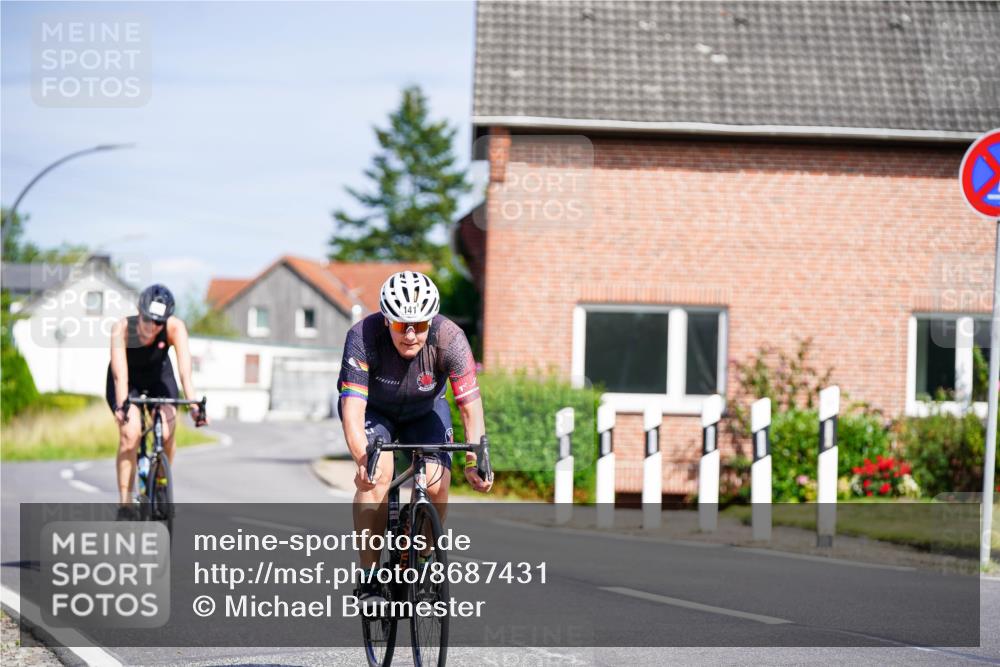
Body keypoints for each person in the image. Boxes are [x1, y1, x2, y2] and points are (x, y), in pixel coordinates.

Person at [338, 270, 492, 605]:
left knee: (436, 483)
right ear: (386, 321)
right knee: (377, 477)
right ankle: (370, 578)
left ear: (431, 320)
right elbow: (352, 410)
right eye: (400, 325)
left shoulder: (450, 339)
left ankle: (422, 559)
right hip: (376, 413)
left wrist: (475, 459)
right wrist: (363, 459)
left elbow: (470, 408)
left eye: (420, 325)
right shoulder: (362, 337)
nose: (410, 334)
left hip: (426, 411)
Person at [106, 284, 207, 516]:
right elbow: (120, 376)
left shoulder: (175, 328)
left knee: (168, 427)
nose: (152, 327)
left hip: (159, 377)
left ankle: (161, 480)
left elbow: (184, 372)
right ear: (139, 312)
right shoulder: (121, 328)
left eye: (159, 323)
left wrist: (193, 404)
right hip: (127, 381)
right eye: (148, 320)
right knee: (130, 435)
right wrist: (123, 406)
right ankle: (125, 504)